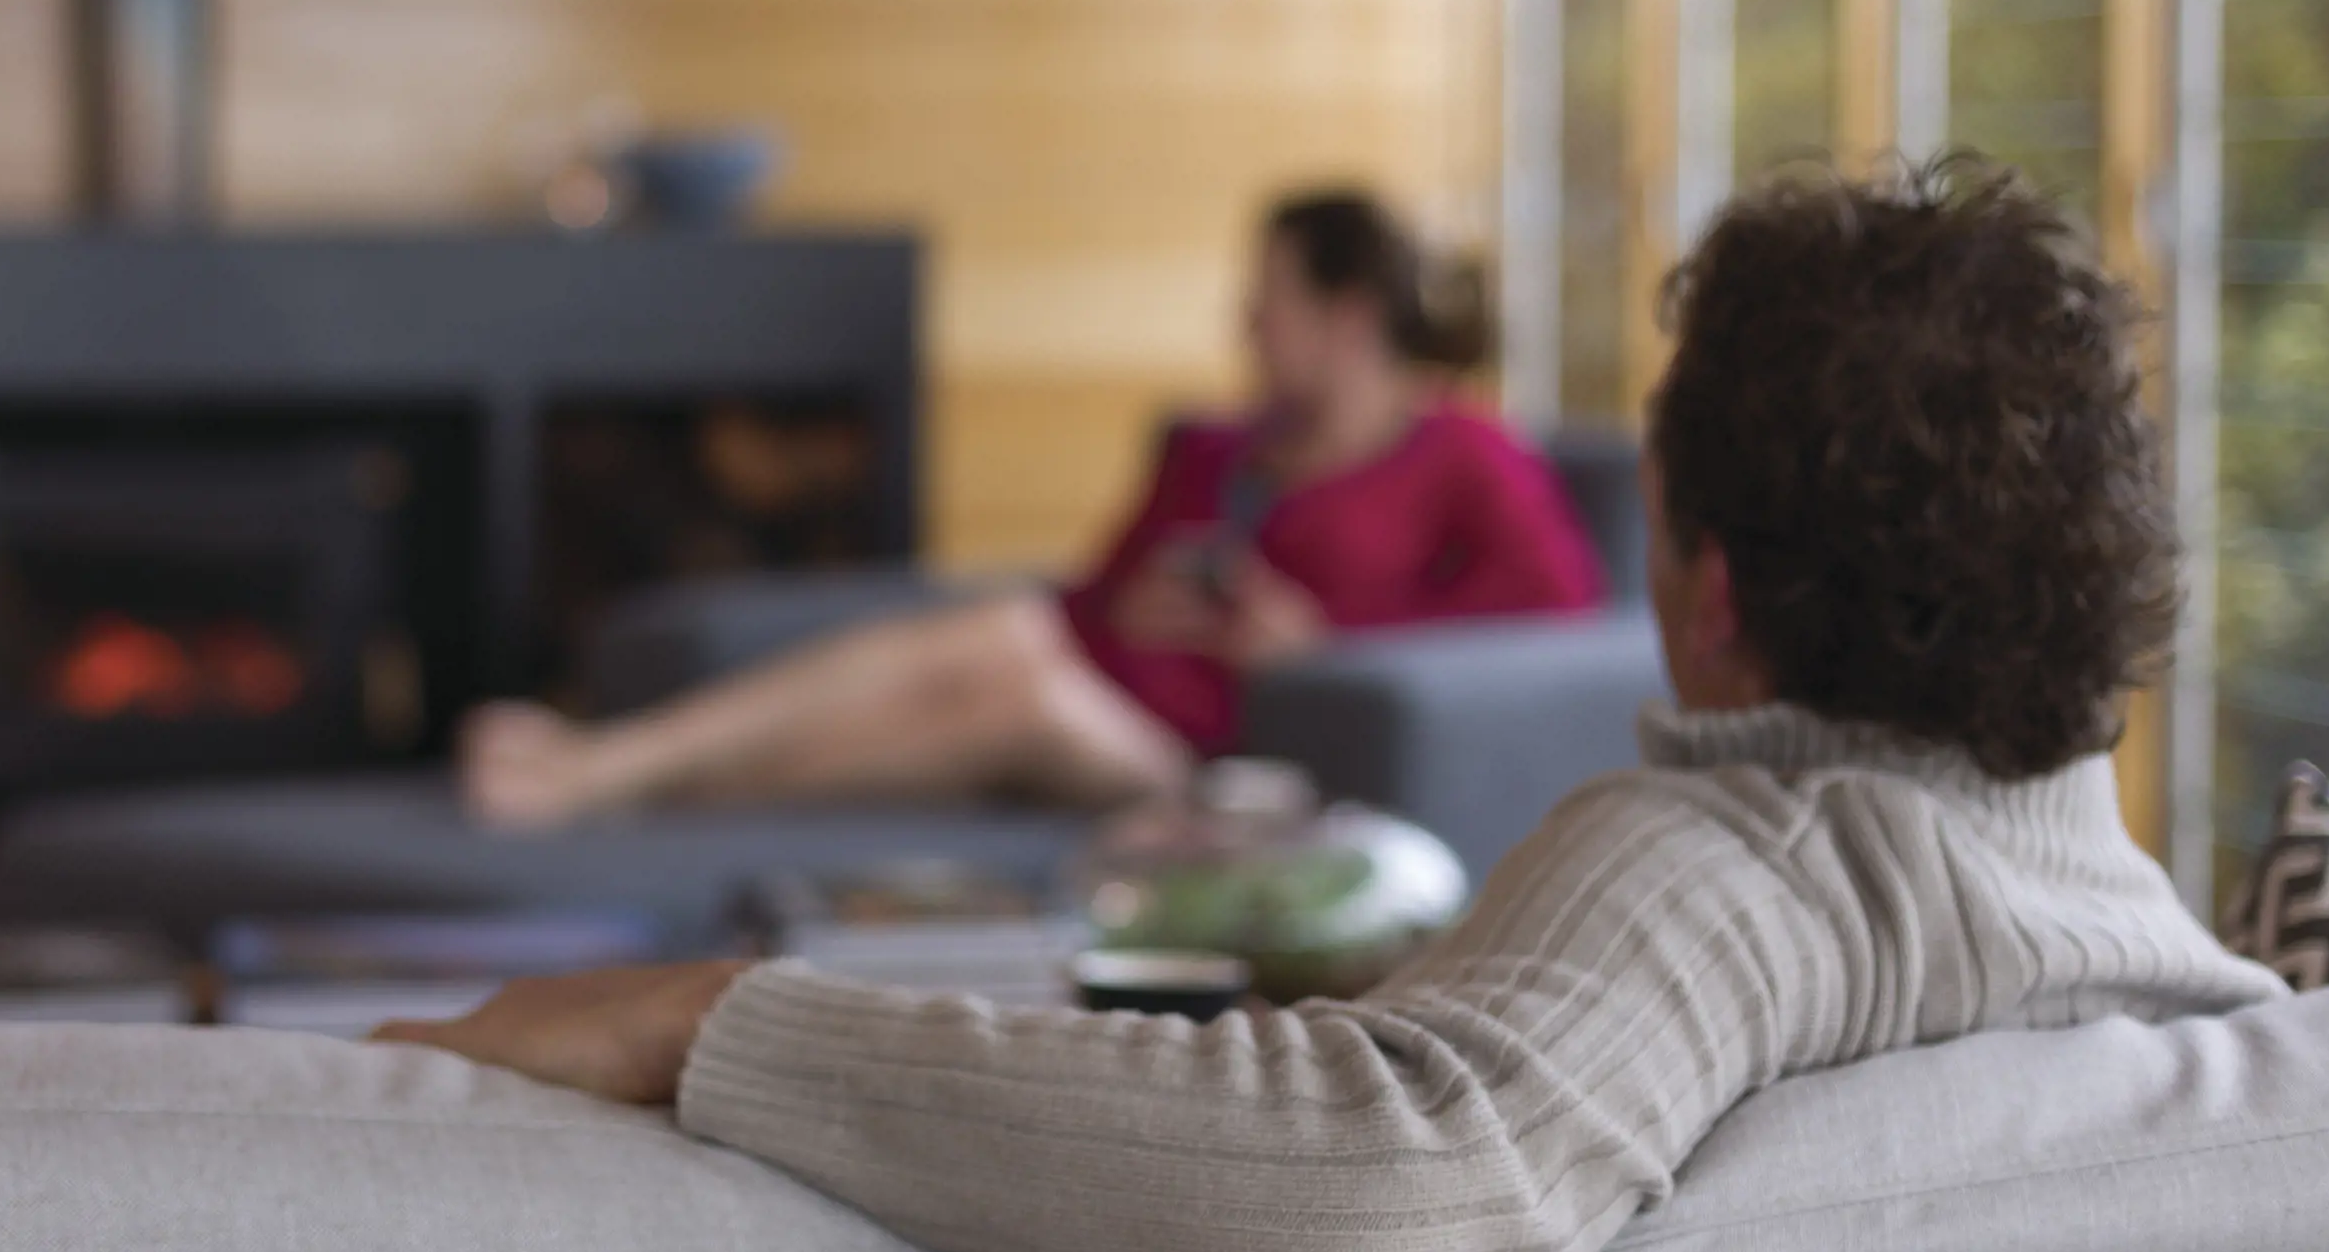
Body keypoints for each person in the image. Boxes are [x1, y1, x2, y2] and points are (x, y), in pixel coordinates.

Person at [379, 159, 2286, 1252]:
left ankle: (596, 781)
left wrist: (708, 1024)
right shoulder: (2214, 993)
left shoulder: (1741, 876)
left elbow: (1364, 1197)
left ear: (1707, 590)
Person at [460, 190, 1608, 827]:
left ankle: (611, 770)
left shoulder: (1461, 450)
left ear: (1348, 316)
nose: (1243, 325)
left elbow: (1559, 620)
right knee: (1009, 645)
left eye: (1265, 303)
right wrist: (1150, 600)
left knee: (1020, 665)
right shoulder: (1221, 446)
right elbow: (1091, 597)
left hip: (1217, 760)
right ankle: (630, 774)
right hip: (1098, 696)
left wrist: (1314, 649)